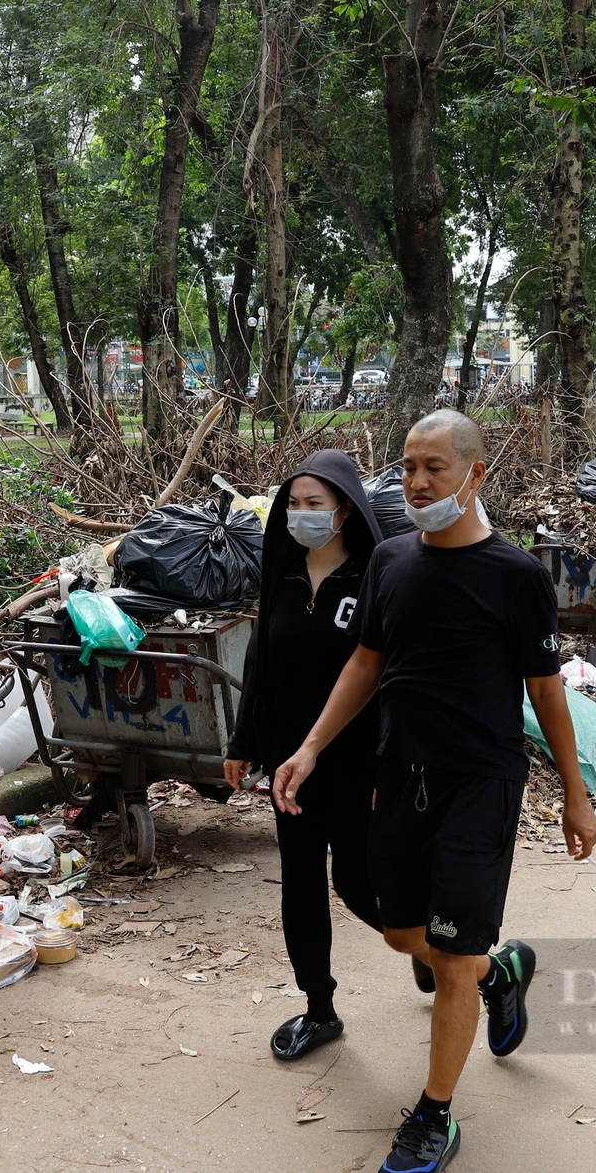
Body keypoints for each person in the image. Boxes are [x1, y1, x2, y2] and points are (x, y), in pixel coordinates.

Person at [271, 409, 596, 1173]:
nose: (417, 482)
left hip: (480, 783)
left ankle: (435, 1114)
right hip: (400, 774)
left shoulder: (516, 575)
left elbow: (548, 693)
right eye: (409, 467)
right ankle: (502, 967)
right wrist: (311, 748)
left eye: (434, 468)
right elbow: (365, 664)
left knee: (451, 959)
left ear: (476, 474)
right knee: (399, 934)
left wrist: (575, 796)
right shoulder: (392, 563)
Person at [223, 450, 385, 1060]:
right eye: (293, 504)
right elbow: (260, 661)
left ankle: (439, 955)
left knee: (360, 882)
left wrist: (388, 763)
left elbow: (386, 674)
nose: (301, 515)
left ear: (345, 509)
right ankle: (318, 1007)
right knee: (301, 883)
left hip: (358, 761)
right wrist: (244, 742)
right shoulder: (284, 576)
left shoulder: (374, 577)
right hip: (290, 764)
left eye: (314, 504)